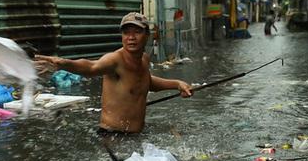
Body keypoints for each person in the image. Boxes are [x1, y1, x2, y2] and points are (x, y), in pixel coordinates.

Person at [34, 12, 193, 134]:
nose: (131, 37)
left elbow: (146, 82)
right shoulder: (115, 60)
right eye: (126, 33)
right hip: (113, 137)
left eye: (136, 32)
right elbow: (91, 67)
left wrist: (177, 84)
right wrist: (63, 64)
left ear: (147, 35)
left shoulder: (143, 59)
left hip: (136, 136)